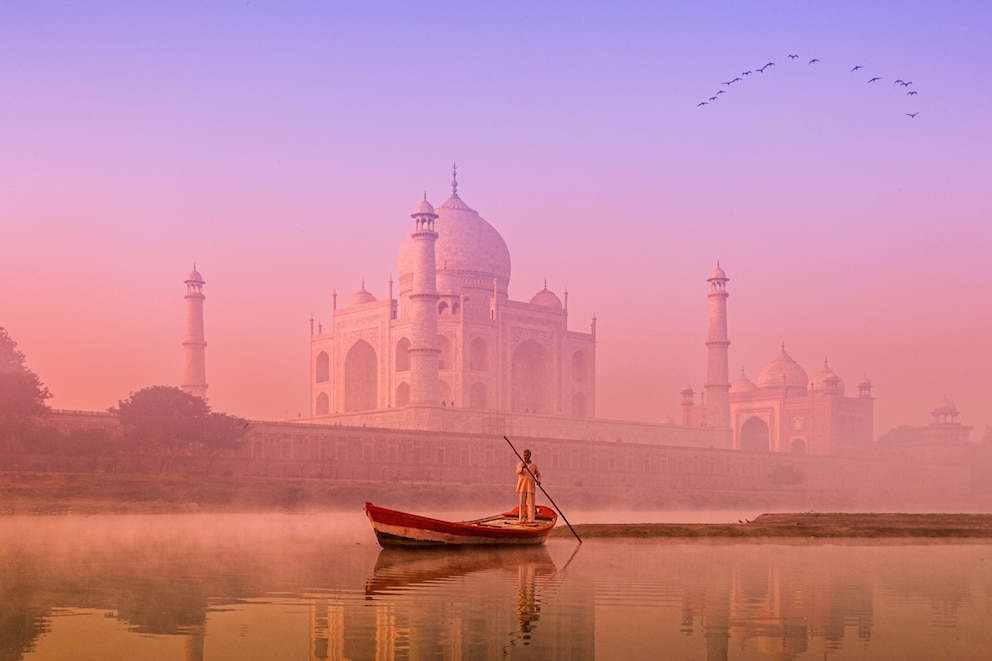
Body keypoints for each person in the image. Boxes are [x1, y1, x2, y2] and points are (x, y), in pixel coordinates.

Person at [515, 449, 542, 522]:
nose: (525, 457)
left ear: (530, 456)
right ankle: (522, 519)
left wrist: (538, 481)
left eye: (526, 455)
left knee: (531, 504)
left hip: (531, 486)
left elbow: (538, 475)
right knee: (522, 504)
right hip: (522, 486)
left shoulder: (533, 466)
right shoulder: (520, 464)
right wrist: (522, 467)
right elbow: (517, 472)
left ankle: (531, 519)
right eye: (524, 455)